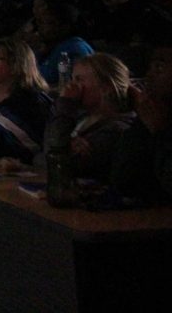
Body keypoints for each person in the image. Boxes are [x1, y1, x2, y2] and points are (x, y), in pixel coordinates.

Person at [44, 52, 134, 182]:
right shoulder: (81, 117)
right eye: (72, 79)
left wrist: (64, 105)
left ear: (106, 87)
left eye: (79, 79)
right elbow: (42, 156)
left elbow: (58, 163)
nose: (71, 86)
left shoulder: (118, 129)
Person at [111, 43, 172, 202]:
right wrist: (145, 126)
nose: (149, 76)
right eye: (151, 67)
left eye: (159, 67)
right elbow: (123, 180)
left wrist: (159, 132)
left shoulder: (158, 122)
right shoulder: (151, 115)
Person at [33, 2, 93, 87]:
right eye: (40, 23)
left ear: (64, 27)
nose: (40, 28)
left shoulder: (75, 49)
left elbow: (70, 86)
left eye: (47, 23)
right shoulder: (51, 48)